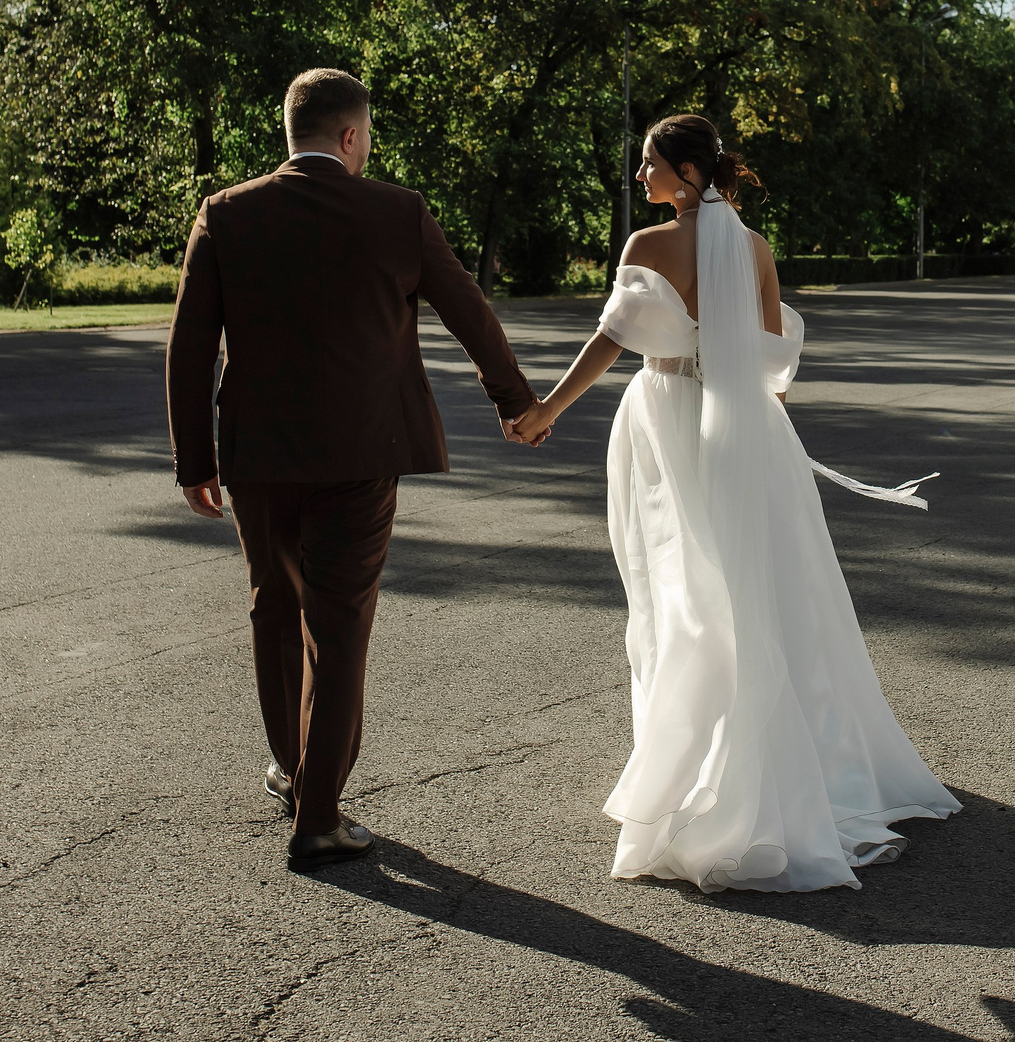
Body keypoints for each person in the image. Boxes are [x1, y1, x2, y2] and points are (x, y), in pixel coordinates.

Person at [509, 114, 959, 892]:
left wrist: (546, 407)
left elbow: (610, 341)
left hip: (667, 421)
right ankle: (789, 760)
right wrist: (740, 409)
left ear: (686, 172)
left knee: (682, 591)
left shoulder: (648, 245)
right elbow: (775, 366)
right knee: (762, 591)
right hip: (748, 429)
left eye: (649, 163)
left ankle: (703, 772)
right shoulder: (756, 248)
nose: (640, 176)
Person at [166, 68, 543, 868]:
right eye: (366, 136)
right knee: (338, 626)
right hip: (364, 451)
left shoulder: (225, 213)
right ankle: (319, 816)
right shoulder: (397, 212)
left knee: (275, 609)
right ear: (350, 135)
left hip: (258, 455)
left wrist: (194, 458)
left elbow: (190, 343)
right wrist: (514, 400)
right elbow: (467, 308)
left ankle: (294, 770)